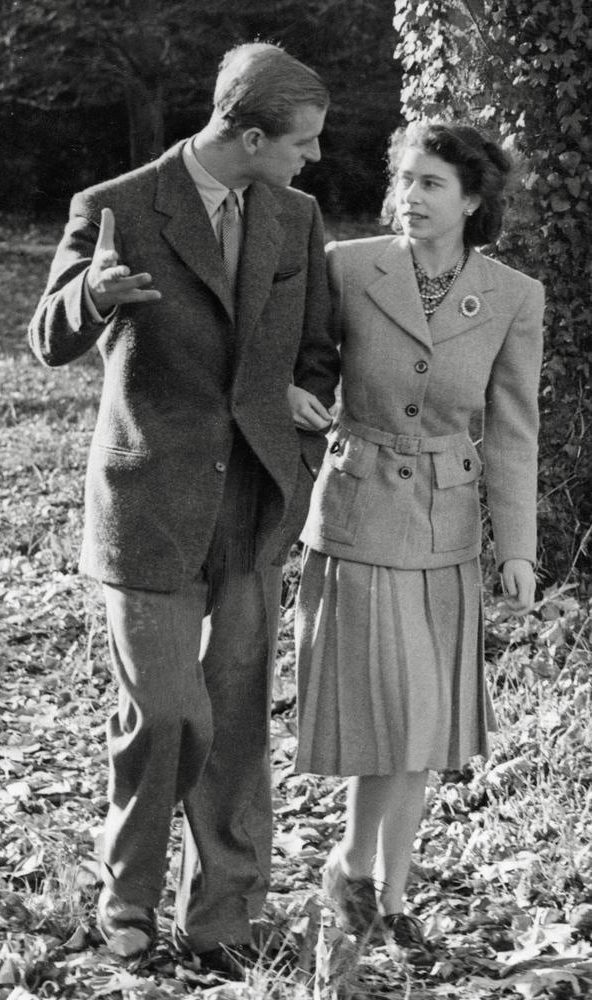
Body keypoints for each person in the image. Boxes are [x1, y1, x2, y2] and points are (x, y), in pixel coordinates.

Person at [28, 42, 338, 974]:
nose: (314, 158)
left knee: (238, 719)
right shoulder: (116, 206)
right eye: (303, 142)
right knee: (168, 712)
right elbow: (47, 337)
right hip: (148, 503)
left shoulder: (297, 216)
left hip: (251, 504)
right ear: (248, 135)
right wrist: (91, 294)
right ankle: (126, 896)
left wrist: (299, 409)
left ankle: (224, 915)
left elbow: (314, 347)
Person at [294, 120, 544, 963]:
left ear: (474, 200)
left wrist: (516, 546)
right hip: (361, 511)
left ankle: (386, 895)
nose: (410, 196)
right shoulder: (350, 266)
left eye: (432, 182)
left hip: (446, 525)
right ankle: (351, 870)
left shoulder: (513, 296)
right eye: (404, 179)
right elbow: (305, 368)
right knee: (392, 716)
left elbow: (513, 431)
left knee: (425, 725)